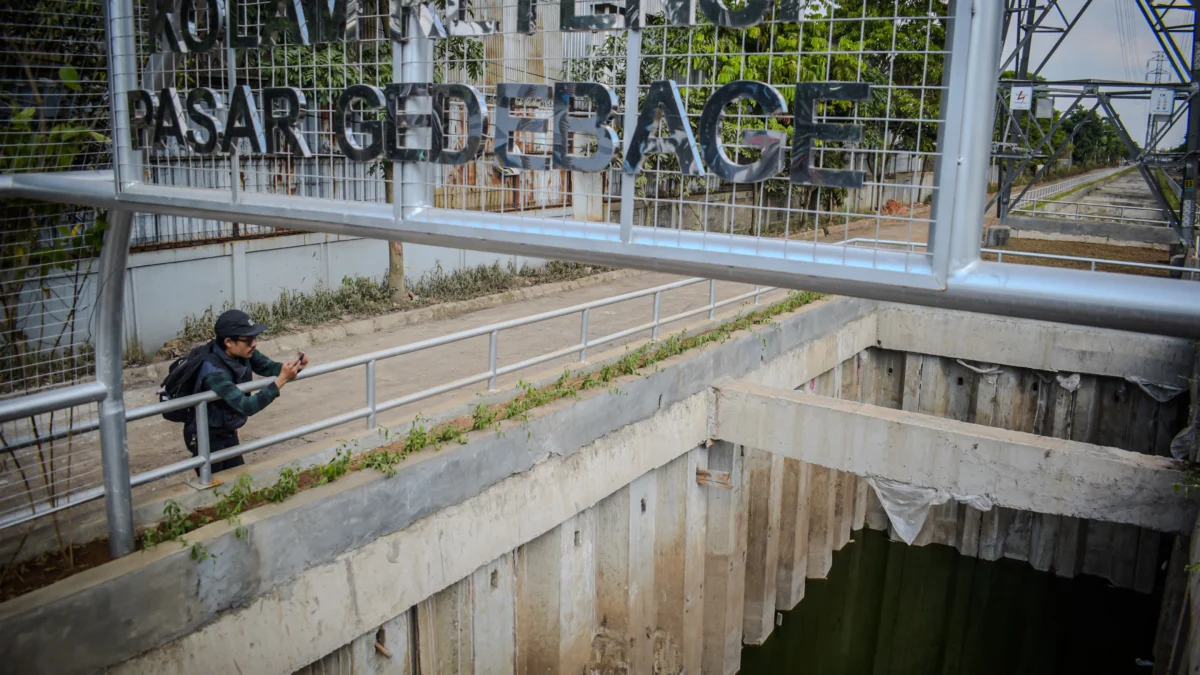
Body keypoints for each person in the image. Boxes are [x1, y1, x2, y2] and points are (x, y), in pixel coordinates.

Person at [184, 309, 310, 474]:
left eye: (254, 338)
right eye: (248, 340)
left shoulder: (243, 352)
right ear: (229, 342)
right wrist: (281, 380)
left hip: (228, 430)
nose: (254, 344)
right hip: (207, 438)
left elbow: (269, 367)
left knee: (237, 480)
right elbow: (247, 406)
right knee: (214, 488)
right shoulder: (214, 372)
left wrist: (295, 366)